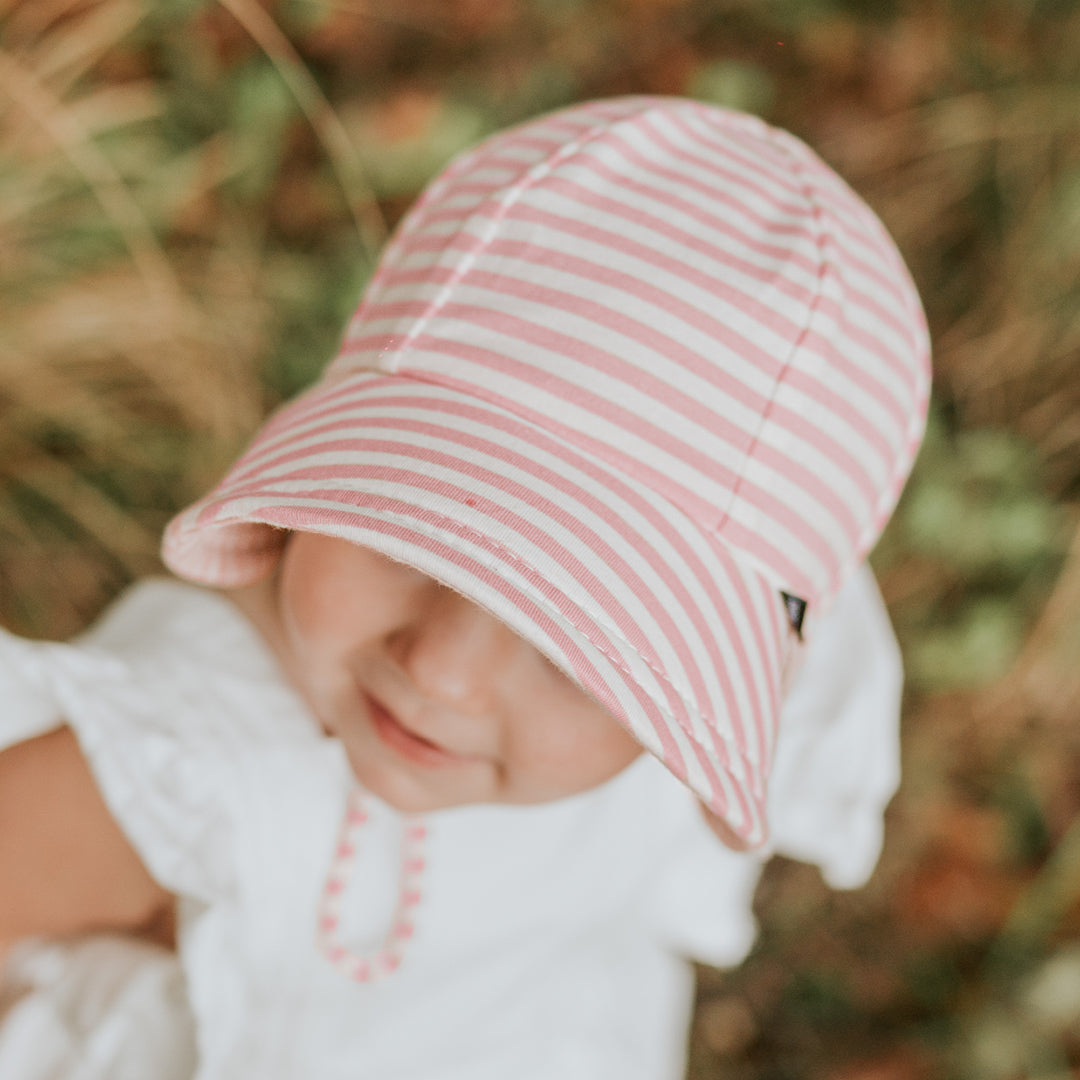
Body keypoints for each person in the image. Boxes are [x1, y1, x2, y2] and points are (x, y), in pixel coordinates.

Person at [0, 95, 930, 1079]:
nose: (440, 673)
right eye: (413, 539)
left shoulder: (776, 661)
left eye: (586, 644)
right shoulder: (178, 774)